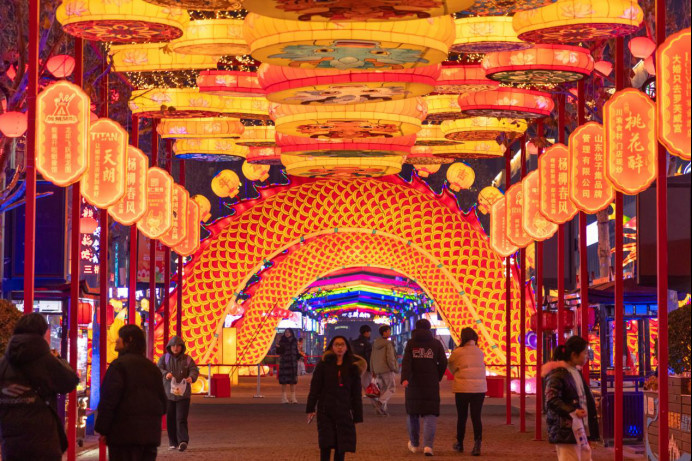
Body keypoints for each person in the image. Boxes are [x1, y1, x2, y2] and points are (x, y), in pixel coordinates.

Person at [0, 313, 79, 461]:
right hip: (43, 441)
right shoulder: (47, 360)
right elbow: (70, 381)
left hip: (11, 443)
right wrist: (59, 359)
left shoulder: (4, 363)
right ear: (43, 332)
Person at [95, 325, 167, 461]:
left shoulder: (118, 366)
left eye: (119, 337)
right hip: (149, 438)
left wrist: (103, 429)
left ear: (128, 340)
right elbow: (163, 404)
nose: (116, 340)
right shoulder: (152, 369)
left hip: (123, 437)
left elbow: (109, 401)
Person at [306, 336, 365, 461]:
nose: (339, 347)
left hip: (344, 411)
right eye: (337, 344)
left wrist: (357, 415)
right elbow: (315, 387)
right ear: (332, 347)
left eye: (342, 344)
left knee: (341, 445)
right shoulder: (323, 365)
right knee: (325, 444)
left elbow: (356, 394)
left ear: (347, 347)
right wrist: (310, 408)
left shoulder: (352, 368)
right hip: (325, 410)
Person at [542, 335, 599, 461]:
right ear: (574, 355)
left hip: (576, 428)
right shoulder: (559, 374)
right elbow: (552, 399)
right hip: (566, 429)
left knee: (585, 456)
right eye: (585, 353)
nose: (587, 356)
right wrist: (573, 411)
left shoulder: (574, 372)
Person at [401, 318, 448, 457]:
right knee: (430, 414)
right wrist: (437, 376)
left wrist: (405, 378)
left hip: (413, 383)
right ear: (429, 328)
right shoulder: (436, 343)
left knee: (412, 414)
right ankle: (428, 446)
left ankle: (415, 444)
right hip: (431, 383)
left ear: (415, 328)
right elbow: (443, 362)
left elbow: (406, 362)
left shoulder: (411, 343)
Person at [448, 327, 487, 456]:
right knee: (476, 417)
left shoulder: (458, 352)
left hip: (462, 388)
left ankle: (460, 443)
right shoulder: (480, 352)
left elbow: (451, 367)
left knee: (462, 417)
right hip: (479, 389)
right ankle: (477, 444)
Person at [157, 335, 199, 452]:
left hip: (183, 395)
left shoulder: (188, 359)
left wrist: (192, 377)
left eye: (178, 346)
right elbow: (158, 368)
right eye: (173, 346)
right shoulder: (164, 359)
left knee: (181, 418)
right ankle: (173, 442)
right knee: (170, 418)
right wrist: (165, 373)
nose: (175, 348)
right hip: (168, 394)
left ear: (182, 347)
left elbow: (194, 369)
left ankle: (183, 441)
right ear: (169, 347)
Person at [370, 325, 398, 416]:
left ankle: (382, 410)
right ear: (385, 332)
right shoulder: (388, 344)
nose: (390, 332)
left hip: (377, 370)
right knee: (391, 388)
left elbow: (372, 357)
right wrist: (394, 368)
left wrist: (372, 370)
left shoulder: (375, 343)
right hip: (386, 369)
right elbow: (390, 358)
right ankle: (380, 403)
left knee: (383, 389)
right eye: (389, 331)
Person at [351, 325, 377, 411]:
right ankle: (377, 406)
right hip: (365, 368)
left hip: (354, 368)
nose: (369, 334)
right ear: (366, 332)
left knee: (354, 388)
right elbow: (368, 357)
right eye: (369, 332)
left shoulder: (353, 343)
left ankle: (351, 407)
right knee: (369, 388)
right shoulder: (367, 344)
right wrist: (371, 369)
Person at [276, 328, 300, 403]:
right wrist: (277, 347)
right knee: (284, 381)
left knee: (293, 381)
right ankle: (284, 398)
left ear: (291, 333)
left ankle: (293, 398)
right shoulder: (282, 341)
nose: (287, 333)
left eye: (288, 332)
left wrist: (299, 356)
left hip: (293, 363)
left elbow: (296, 351)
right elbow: (279, 352)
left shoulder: (294, 341)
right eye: (286, 332)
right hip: (284, 363)